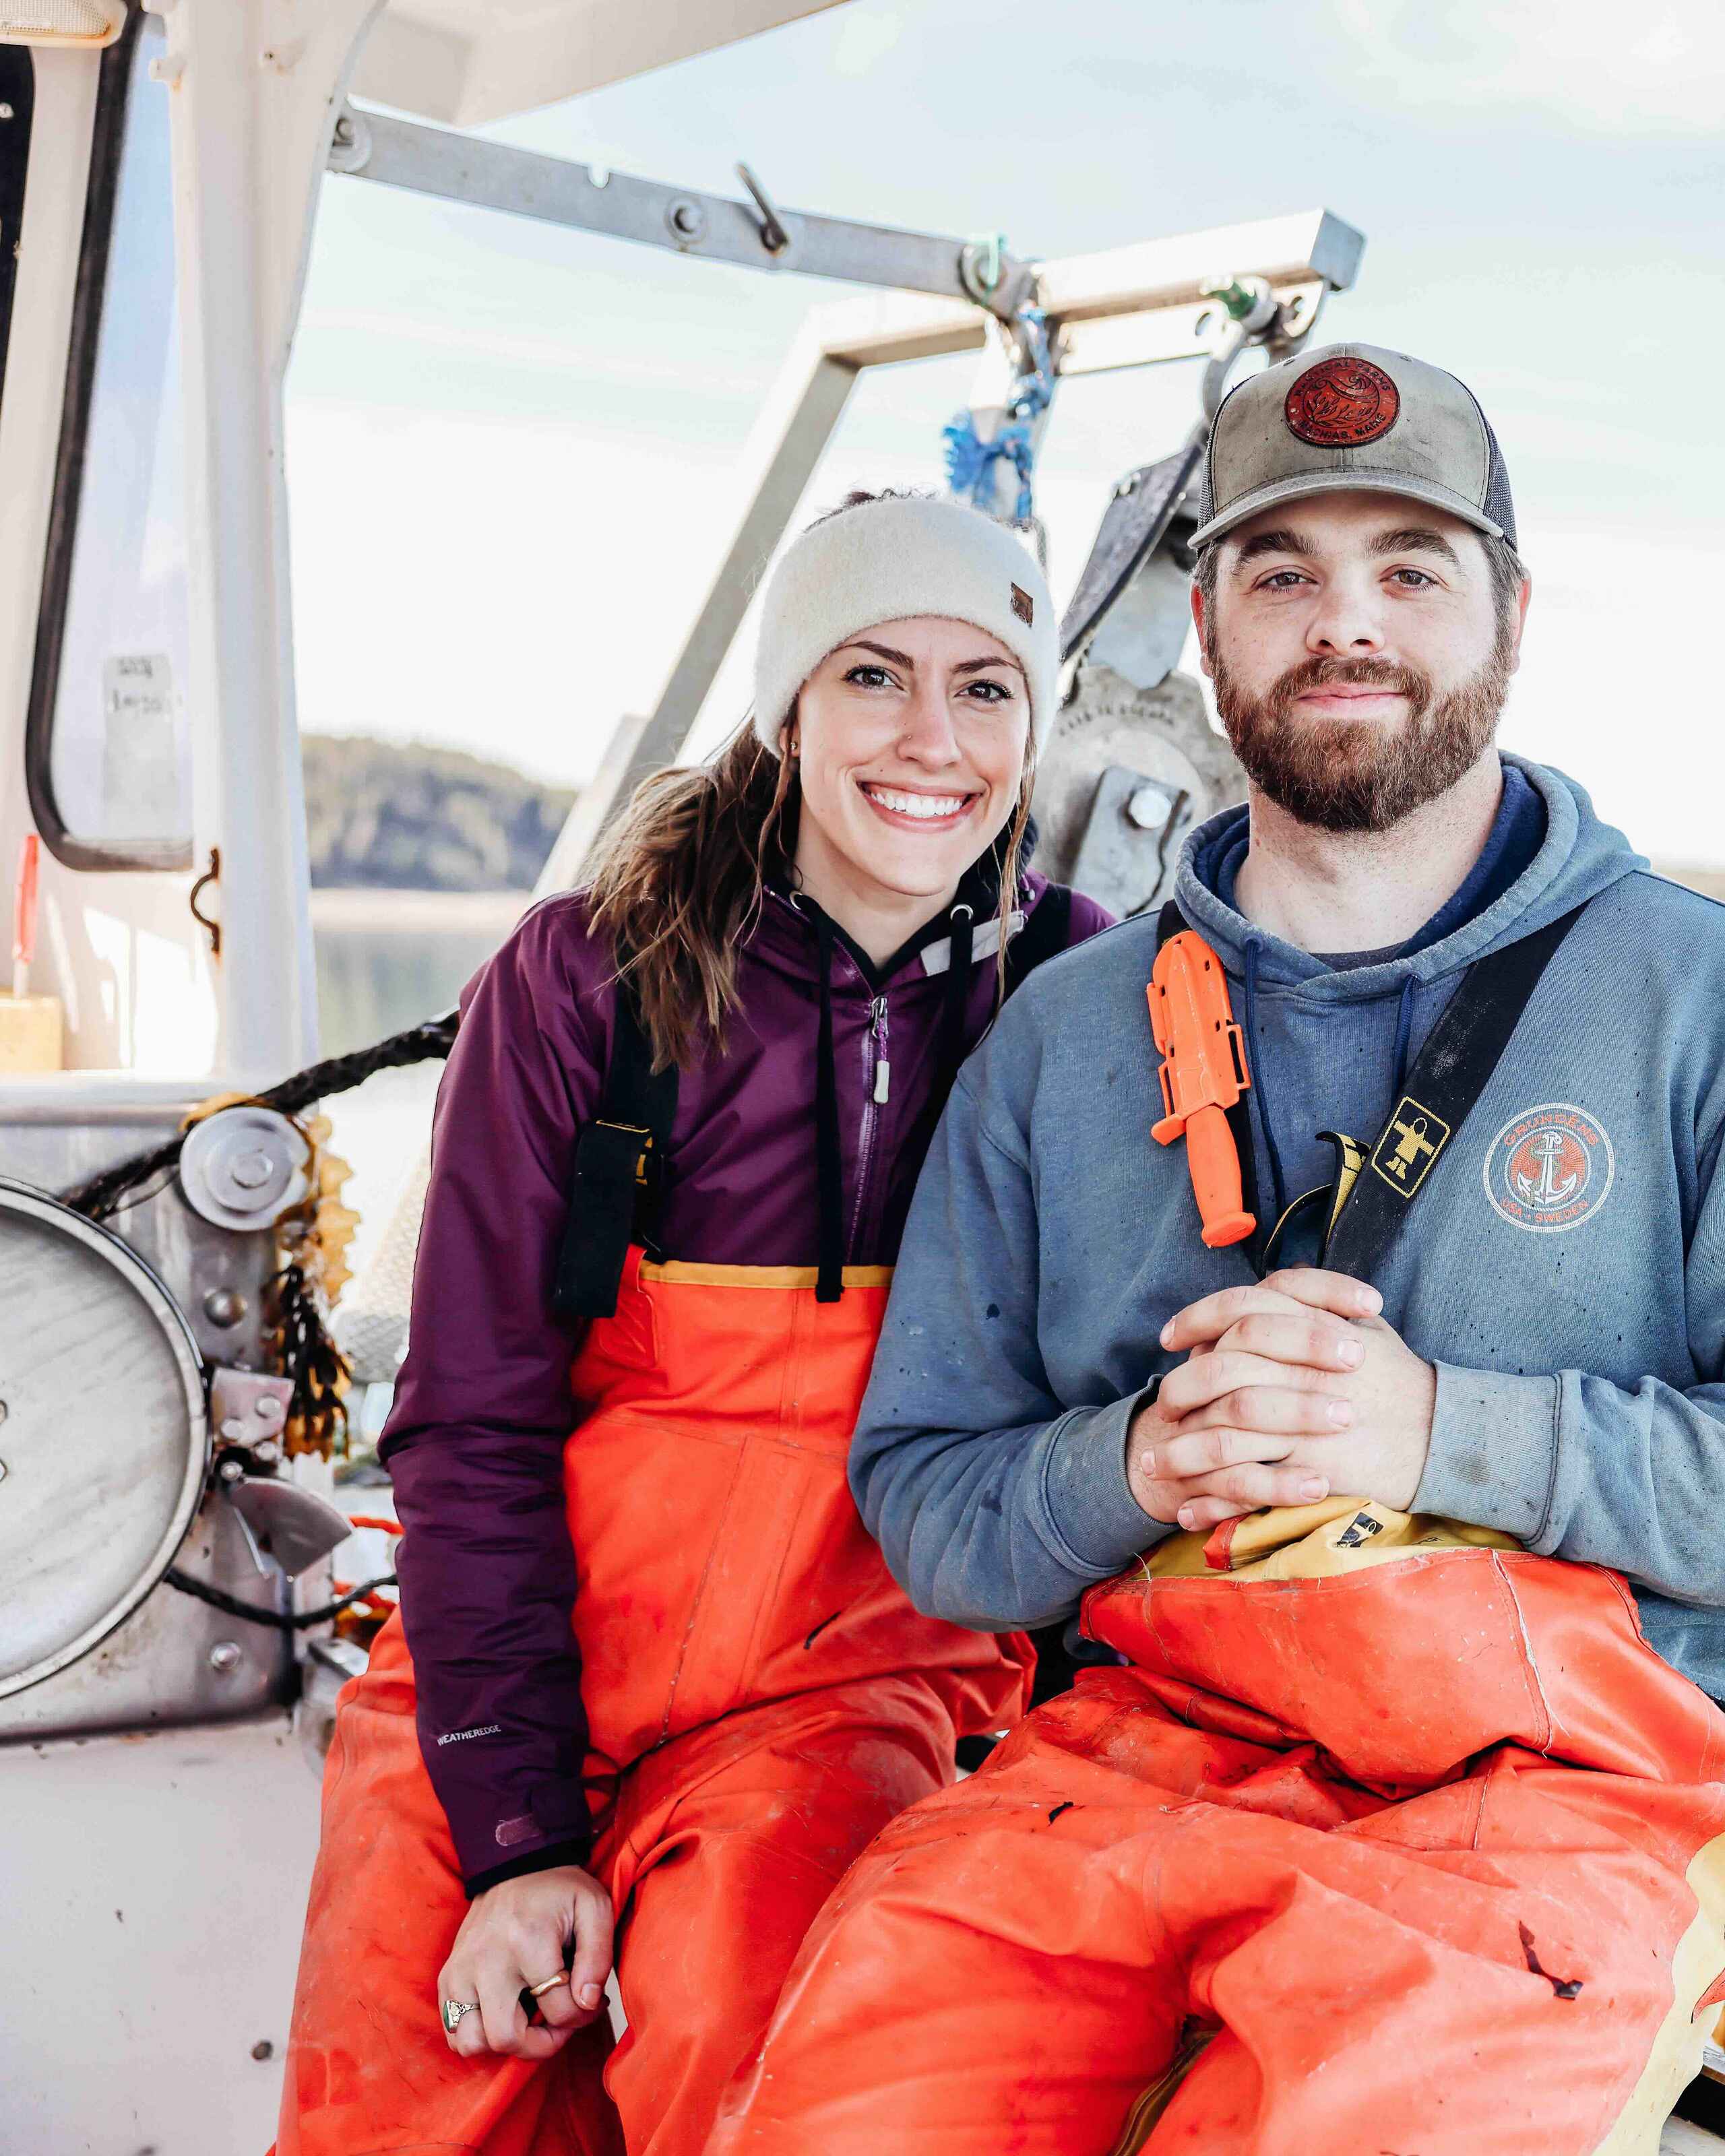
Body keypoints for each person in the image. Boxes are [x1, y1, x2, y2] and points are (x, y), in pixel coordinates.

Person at [704, 347, 1725, 2155]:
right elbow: (929, 1504)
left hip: (1571, 1800)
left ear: (1511, 609)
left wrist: (1438, 1438)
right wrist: (1137, 1463)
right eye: (1283, 574)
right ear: (1202, 622)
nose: (1348, 622)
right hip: (1133, 1768)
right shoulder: (1058, 1037)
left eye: (1410, 566)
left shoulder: (1694, 996)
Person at [270, 490, 1110, 2156]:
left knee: (765, 2066)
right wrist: (514, 1834)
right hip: (514, 1664)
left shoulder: (1076, 995)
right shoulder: (588, 979)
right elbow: (468, 1420)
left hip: (847, 1695)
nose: (930, 738)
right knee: (395, 2090)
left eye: (986, 686)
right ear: (785, 707)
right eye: (872, 674)